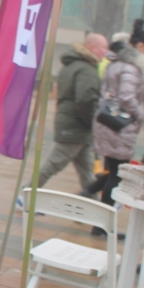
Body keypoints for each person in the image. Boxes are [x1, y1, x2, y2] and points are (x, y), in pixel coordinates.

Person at [30, 33, 106, 192]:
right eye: (103, 48)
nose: (105, 52)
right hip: (76, 126)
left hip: (74, 125)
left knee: (87, 171)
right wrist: (91, 121)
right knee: (54, 164)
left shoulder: (72, 65)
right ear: (92, 47)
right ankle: (27, 193)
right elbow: (85, 100)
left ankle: (90, 202)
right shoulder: (86, 69)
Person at [91, 20, 144, 214]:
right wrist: (140, 114)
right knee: (117, 174)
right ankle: (101, 221)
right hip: (120, 126)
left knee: (112, 172)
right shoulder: (130, 68)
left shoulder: (117, 63)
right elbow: (126, 96)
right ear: (140, 46)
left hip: (110, 123)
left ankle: (88, 198)